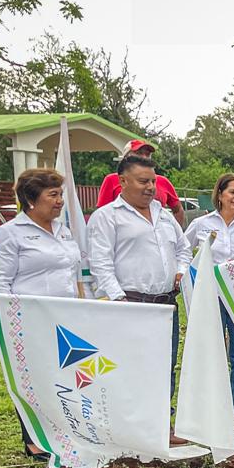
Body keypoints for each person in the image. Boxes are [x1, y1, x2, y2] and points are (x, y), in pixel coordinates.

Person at [0, 168, 83, 463]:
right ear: (31, 199)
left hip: (65, 318)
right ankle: (34, 441)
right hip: (28, 321)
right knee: (33, 379)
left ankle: (64, 434)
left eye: (60, 194)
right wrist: (8, 323)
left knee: (63, 377)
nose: (60, 201)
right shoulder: (10, 233)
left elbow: (72, 272)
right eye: (53, 195)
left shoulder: (63, 230)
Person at [87, 152, 191, 406]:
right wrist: (118, 298)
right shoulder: (107, 216)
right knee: (129, 368)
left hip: (166, 305)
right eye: (143, 181)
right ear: (122, 181)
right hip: (130, 305)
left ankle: (161, 421)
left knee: (165, 365)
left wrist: (181, 270)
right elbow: (100, 262)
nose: (151, 187)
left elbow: (183, 248)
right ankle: (131, 423)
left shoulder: (163, 214)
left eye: (153, 181)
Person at [184, 173, 234, 427]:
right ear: (220, 194)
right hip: (210, 297)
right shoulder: (201, 224)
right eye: (233, 192)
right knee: (212, 352)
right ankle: (212, 405)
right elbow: (183, 251)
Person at [96, 140, 184, 227]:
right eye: (139, 153)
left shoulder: (163, 181)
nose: (144, 157)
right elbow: (102, 215)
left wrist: (175, 231)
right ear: (126, 156)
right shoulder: (111, 179)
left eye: (147, 154)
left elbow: (178, 209)